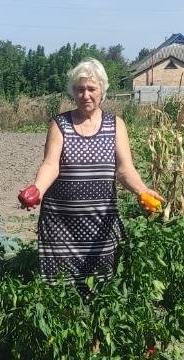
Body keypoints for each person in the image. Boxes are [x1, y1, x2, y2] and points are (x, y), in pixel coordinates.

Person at [18, 57, 164, 302]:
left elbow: (125, 169)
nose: (86, 95)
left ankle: (94, 342)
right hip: (60, 225)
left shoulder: (115, 125)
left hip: (100, 225)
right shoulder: (60, 124)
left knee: (99, 291)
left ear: (102, 91)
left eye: (91, 89)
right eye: (80, 89)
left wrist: (142, 191)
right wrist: (37, 189)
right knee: (61, 292)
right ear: (73, 92)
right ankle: (65, 339)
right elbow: (51, 164)